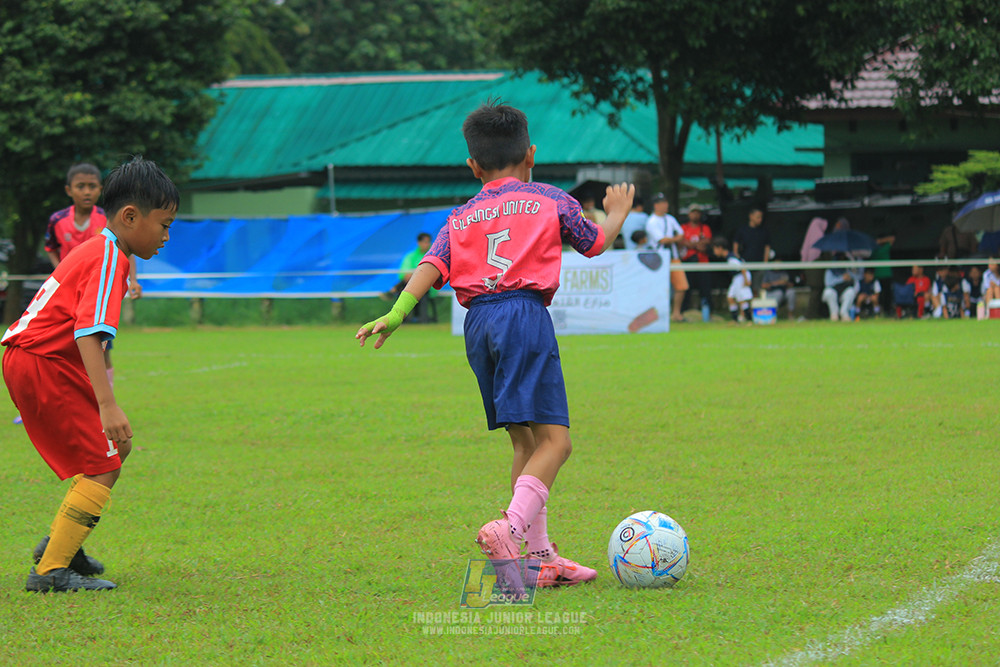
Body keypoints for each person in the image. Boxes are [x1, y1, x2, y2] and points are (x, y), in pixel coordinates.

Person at [356, 100, 633, 591]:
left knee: (524, 440)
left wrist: (396, 314)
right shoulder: (549, 198)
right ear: (531, 155)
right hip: (523, 315)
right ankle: (509, 530)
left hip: (478, 324)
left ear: (473, 166)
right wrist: (616, 214)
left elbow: (432, 266)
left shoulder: (461, 216)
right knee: (556, 441)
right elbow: (593, 243)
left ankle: (541, 557)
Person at [3, 156, 177, 592]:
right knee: (103, 462)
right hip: (40, 361)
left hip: (40, 359)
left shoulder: (103, 250)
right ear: (130, 216)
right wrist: (107, 403)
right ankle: (50, 572)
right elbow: (88, 333)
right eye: (164, 224)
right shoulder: (107, 258)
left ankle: (64, 543)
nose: (166, 236)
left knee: (116, 449)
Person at [44, 163, 142, 389]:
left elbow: (126, 247)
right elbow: (51, 248)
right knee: (59, 349)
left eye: (92, 186)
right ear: (69, 190)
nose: (86, 192)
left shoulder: (108, 218)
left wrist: (133, 279)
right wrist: (60, 274)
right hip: (68, 297)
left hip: (98, 294)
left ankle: (104, 402)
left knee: (102, 348)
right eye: (81, 186)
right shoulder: (57, 220)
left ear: (100, 189)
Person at [645, 193, 688, 322]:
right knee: (657, 287)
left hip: (673, 256)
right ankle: (657, 314)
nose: (665, 205)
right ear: (655, 205)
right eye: (662, 203)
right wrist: (674, 239)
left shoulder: (670, 219)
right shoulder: (651, 221)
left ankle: (676, 313)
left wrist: (673, 239)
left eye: (666, 202)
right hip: (658, 258)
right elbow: (662, 240)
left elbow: (681, 234)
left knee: (682, 286)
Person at [382, 232, 436, 322]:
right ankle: (401, 317)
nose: (426, 244)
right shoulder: (411, 256)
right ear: (419, 243)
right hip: (410, 284)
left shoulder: (434, 254)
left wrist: (415, 273)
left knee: (410, 282)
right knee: (409, 280)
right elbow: (404, 274)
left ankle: (393, 290)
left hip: (429, 285)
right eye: (424, 242)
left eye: (428, 242)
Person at [681, 204, 713, 322]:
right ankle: (683, 313)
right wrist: (696, 245)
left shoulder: (704, 228)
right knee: (685, 289)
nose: (695, 215)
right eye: (693, 212)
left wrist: (694, 245)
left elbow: (707, 241)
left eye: (698, 212)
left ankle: (707, 313)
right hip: (688, 263)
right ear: (689, 214)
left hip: (702, 263)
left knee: (705, 289)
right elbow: (682, 241)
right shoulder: (683, 228)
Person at [711, 236, 752, 323]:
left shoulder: (731, 258)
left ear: (720, 248)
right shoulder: (729, 257)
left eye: (715, 249)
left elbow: (742, 267)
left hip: (741, 277)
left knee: (742, 299)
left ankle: (749, 319)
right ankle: (735, 319)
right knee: (730, 297)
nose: (714, 252)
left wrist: (746, 280)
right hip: (737, 277)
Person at [733, 208, 770, 296]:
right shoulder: (742, 230)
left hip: (759, 265)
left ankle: (755, 308)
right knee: (744, 289)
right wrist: (737, 258)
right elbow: (735, 244)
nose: (760, 219)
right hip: (745, 266)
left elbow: (767, 247)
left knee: (756, 289)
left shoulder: (764, 231)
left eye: (761, 217)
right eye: (758, 217)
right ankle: (745, 309)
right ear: (751, 216)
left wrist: (765, 262)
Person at [800, 217, 828, 320]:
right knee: (815, 292)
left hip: (810, 269)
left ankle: (815, 314)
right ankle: (810, 315)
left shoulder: (810, 236)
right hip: (815, 270)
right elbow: (817, 254)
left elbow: (803, 253)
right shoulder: (819, 236)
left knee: (817, 292)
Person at [822, 257, 858, 322]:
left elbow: (856, 281)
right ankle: (834, 314)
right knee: (828, 292)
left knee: (851, 291)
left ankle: (844, 313)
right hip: (834, 292)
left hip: (844, 291)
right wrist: (842, 278)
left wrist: (850, 278)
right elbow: (828, 283)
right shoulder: (830, 271)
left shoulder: (847, 270)